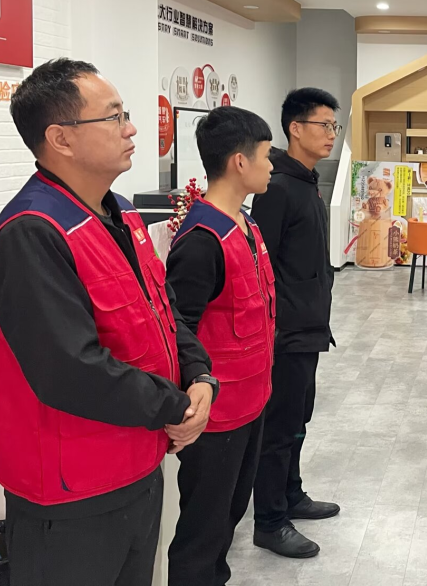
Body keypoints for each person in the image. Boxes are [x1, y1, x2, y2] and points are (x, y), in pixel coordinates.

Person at [0, 59, 214, 586]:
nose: (131, 129)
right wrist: (176, 406)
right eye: (114, 117)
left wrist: (199, 374)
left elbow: (164, 309)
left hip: (139, 465)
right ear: (61, 138)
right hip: (71, 494)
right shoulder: (32, 231)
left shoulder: (123, 214)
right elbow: (70, 369)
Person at [166, 107, 276, 586]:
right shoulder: (201, 240)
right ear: (239, 161)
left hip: (252, 402)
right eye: (266, 156)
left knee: (228, 517)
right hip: (217, 415)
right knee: (202, 530)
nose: (271, 165)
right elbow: (178, 329)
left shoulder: (245, 225)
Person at [251, 88, 341, 559]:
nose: (331, 134)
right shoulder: (278, 187)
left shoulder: (306, 181)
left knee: (298, 419)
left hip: (309, 326)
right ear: (295, 128)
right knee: (279, 426)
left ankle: (291, 493)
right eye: (323, 125)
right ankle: (269, 521)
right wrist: (279, 325)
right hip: (286, 331)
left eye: (334, 126)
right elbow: (262, 266)